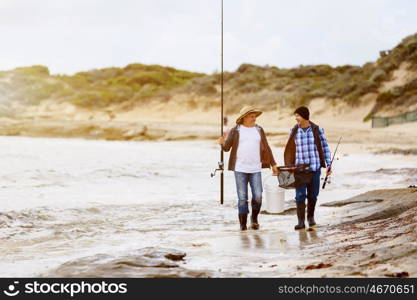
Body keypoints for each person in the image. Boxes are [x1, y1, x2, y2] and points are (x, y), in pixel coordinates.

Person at [218, 105, 278, 231]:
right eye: (251, 115)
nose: (254, 117)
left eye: (255, 115)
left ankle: (254, 219)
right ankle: (242, 226)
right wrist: (222, 143)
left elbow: (266, 148)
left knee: (258, 196)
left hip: (255, 169)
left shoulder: (259, 129)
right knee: (242, 198)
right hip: (240, 168)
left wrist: (273, 164)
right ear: (244, 117)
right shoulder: (236, 130)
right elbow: (227, 148)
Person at [283, 106, 332, 230]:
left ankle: (310, 218)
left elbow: (325, 147)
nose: (296, 118)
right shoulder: (293, 131)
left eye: (298, 116)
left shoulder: (317, 130)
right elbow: (289, 150)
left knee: (313, 195)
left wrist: (329, 164)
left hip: (315, 168)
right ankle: (300, 222)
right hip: (299, 170)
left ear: (304, 116)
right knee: (299, 196)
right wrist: (288, 167)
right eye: (295, 116)